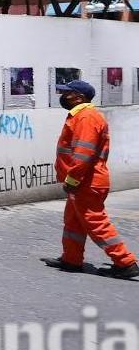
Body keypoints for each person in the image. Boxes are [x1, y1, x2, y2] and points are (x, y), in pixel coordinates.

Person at [42, 80, 139, 279]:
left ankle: (126, 262)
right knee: (73, 222)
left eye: (67, 93)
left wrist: (73, 180)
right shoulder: (81, 116)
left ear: (80, 97)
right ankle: (71, 259)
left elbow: (83, 155)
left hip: (87, 182)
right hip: (84, 181)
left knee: (96, 222)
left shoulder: (86, 117)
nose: (63, 97)